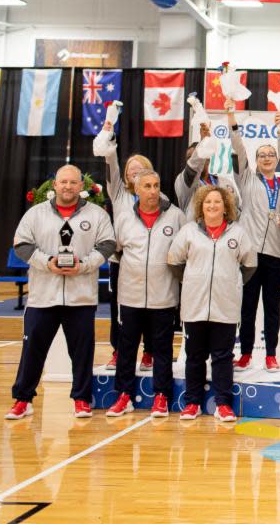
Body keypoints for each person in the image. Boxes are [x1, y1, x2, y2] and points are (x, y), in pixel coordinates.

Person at [5, 165, 116, 420]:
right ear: (55, 184)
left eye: (73, 182)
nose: (68, 186)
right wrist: (48, 262)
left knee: (82, 353)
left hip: (81, 297)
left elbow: (108, 244)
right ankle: (23, 400)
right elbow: (21, 244)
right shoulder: (36, 214)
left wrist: (84, 265)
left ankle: (82, 399)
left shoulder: (97, 215)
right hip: (43, 297)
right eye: (63, 182)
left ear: (81, 186)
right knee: (32, 350)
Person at [167, 186, 257, 421]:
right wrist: (192, 280)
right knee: (194, 356)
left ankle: (223, 404)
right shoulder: (188, 232)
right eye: (208, 202)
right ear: (201, 206)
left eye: (217, 202)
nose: (212, 206)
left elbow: (249, 265)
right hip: (194, 305)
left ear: (226, 206)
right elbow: (174, 260)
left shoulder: (238, 233)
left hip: (225, 306)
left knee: (222, 357)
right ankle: (192, 403)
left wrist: (230, 283)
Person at [105, 170, 185, 418]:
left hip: (163, 296)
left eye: (156, 185)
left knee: (162, 349)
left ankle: (161, 397)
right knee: (127, 348)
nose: (153, 191)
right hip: (130, 296)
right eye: (147, 186)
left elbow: (183, 251)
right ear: (136, 190)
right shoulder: (124, 218)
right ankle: (124, 396)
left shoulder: (176, 216)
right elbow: (116, 252)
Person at [230, 108, 280, 372]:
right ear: (255, 160)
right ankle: (245, 353)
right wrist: (232, 122)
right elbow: (238, 148)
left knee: (272, 307)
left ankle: (270, 354)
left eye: (271, 154)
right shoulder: (246, 179)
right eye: (262, 155)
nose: (267, 158)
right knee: (247, 305)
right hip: (250, 253)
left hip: (277, 254)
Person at [98, 123, 156, 374]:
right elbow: (111, 162)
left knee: (151, 309)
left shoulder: (158, 198)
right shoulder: (118, 194)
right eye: (131, 170)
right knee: (118, 309)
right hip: (120, 262)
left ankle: (149, 352)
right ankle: (118, 350)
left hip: (149, 261)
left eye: (141, 169)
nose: (135, 172)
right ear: (125, 175)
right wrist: (108, 136)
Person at [174, 122, 242, 216]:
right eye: (189, 158)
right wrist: (204, 143)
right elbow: (194, 166)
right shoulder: (184, 184)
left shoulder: (226, 183)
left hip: (224, 230)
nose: (195, 160)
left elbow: (236, 212)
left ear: (209, 159)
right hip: (198, 230)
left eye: (201, 156)